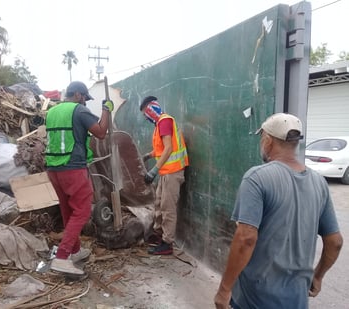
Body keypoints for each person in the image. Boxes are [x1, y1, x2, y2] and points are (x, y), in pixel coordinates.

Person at [214, 113, 343, 309]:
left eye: (261, 138)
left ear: (267, 141)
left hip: (255, 299)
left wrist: (224, 290)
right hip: (297, 299)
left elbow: (246, 239)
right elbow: (335, 242)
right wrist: (318, 276)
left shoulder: (256, 178)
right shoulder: (319, 183)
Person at [45, 81, 114, 275]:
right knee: (82, 211)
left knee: (68, 210)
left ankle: (74, 251)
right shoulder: (79, 111)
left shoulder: (51, 112)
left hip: (54, 168)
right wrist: (106, 110)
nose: (84, 102)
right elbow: (100, 133)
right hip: (73, 168)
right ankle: (62, 256)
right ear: (77, 95)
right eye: (84, 98)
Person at [140, 96, 189, 255]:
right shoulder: (160, 124)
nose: (145, 117)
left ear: (150, 109)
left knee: (168, 209)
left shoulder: (164, 122)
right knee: (159, 204)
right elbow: (162, 149)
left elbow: (168, 149)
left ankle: (167, 244)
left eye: (145, 114)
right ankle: (158, 235)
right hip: (166, 172)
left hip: (172, 172)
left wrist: (153, 171)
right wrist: (148, 155)